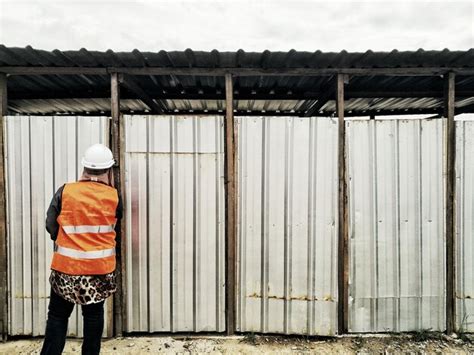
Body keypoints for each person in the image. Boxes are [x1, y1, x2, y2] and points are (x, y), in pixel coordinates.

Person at [40, 143, 122, 355]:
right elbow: (116, 229)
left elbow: (51, 224)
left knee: (58, 316)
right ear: (108, 170)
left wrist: (67, 242)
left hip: (66, 269)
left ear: (84, 167)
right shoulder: (113, 196)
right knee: (93, 317)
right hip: (99, 270)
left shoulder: (66, 191)